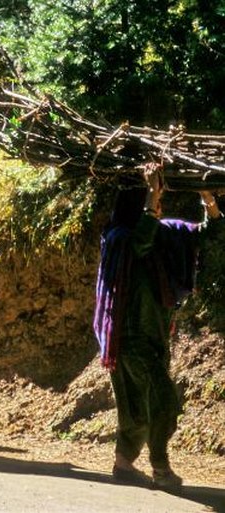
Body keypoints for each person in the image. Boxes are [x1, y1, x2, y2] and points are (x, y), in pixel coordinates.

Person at [94, 165, 223, 489]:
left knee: (136, 405)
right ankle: (160, 467)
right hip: (128, 336)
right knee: (162, 400)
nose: (157, 207)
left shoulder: (161, 231)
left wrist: (207, 200)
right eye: (149, 202)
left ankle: (124, 464)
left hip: (154, 334)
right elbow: (140, 242)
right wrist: (152, 196)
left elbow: (209, 233)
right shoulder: (118, 238)